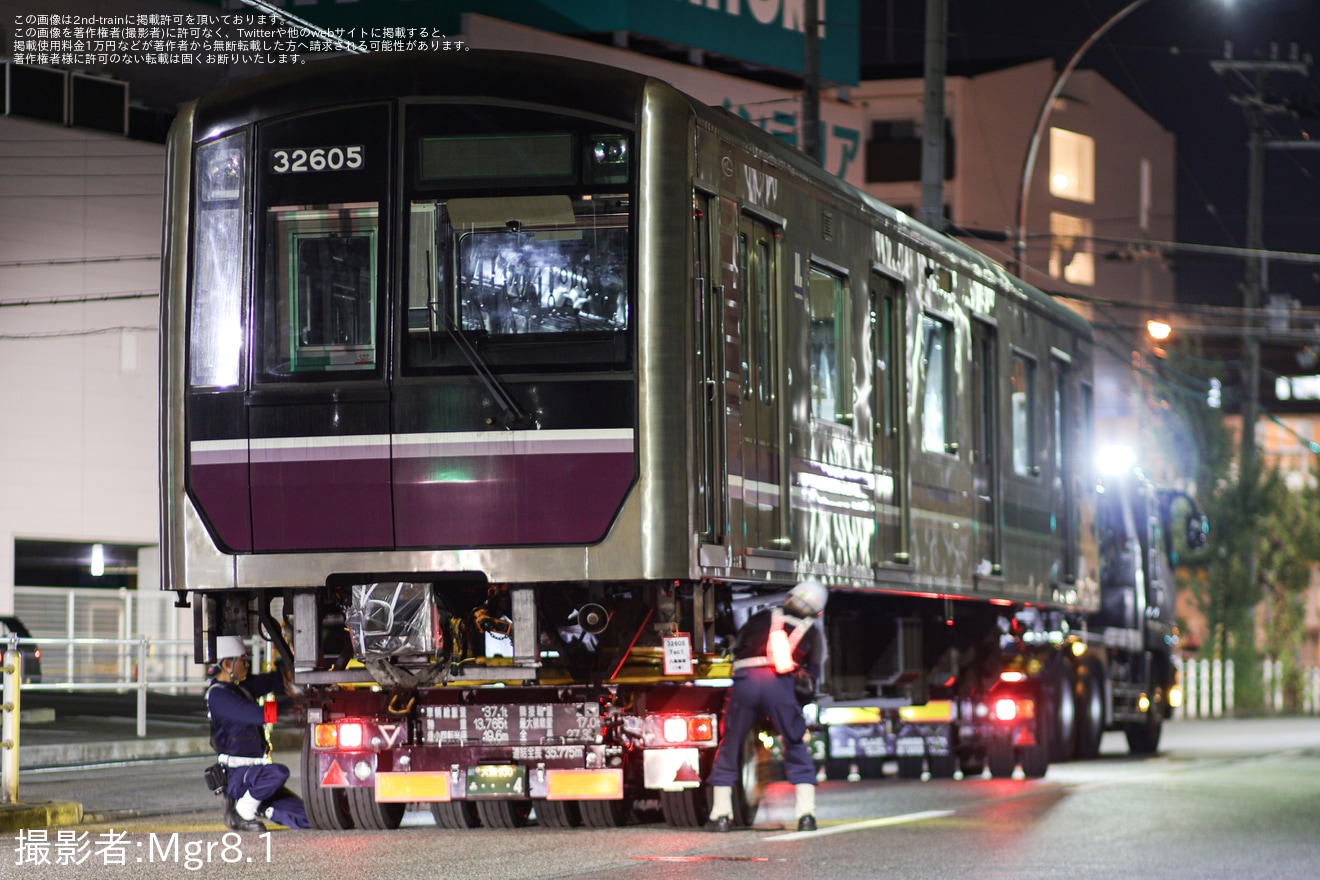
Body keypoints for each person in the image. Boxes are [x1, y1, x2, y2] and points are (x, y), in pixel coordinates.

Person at [707, 579, 828, 833]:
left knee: (730, 744)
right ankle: (806, 816)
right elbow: (813, 673)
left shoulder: (762, 617)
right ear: (817, 610)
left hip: (746, 681)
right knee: (794, 744)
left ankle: (720, 816)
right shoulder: (812, 632)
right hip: (781, 685)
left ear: (790, 597)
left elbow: (738, 646)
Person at [206, 634, 310, 831]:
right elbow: (259, 715)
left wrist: (290, 666)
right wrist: (293, 701)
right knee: (278, 772)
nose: (246, 665)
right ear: (228, 664)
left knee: (309, 819)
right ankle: (242, 812)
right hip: (238, 776)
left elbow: (272, 681)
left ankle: (258, 804)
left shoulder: (239, 688)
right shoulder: (219, 696)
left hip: (255, 777)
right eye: (243, 661)